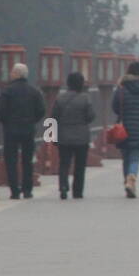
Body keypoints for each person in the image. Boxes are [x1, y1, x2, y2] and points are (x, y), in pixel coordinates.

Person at [0, 62, 45, 200]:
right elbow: (41, 110)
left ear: (15, 74)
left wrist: (5, 121)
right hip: (28, 129)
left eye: (12, 72)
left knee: (11, 160)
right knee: (27, 160)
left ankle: (14, 191)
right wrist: (32, 120)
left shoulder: (7, 91)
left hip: (11, 130)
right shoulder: (34, 91)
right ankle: (27, 190)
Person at [111, 60, 139, 198]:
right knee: (135, 157)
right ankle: (132, 177)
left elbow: (115, 106)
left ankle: (127, 182)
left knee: (126, 157)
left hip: (124, 127)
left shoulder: (122, 88)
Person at [51, 71, 95, 199]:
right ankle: (78, 191)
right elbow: (91, 116)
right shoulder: (85, 98)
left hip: (64, 137)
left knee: (64, 163)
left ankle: (63, 187)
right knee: (80, 165)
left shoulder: (60, 98)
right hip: (81, 137)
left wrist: (51, 137)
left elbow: (53, 118)